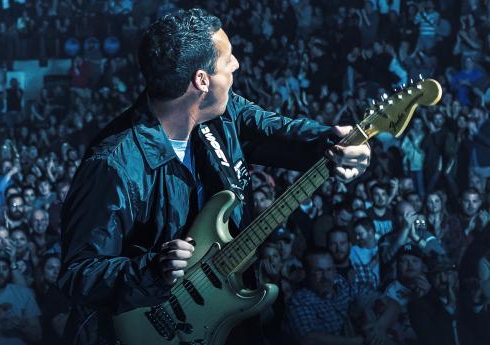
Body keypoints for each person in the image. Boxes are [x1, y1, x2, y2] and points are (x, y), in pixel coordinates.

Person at [58, 8, 371, 345]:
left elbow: (278, 132)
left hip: (221, 322)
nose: (236, 65)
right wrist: (150, 270)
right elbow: (78, 273)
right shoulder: (114, 164)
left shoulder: (224, 115)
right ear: (201, 81)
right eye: (228, 60)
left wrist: (338, 142)